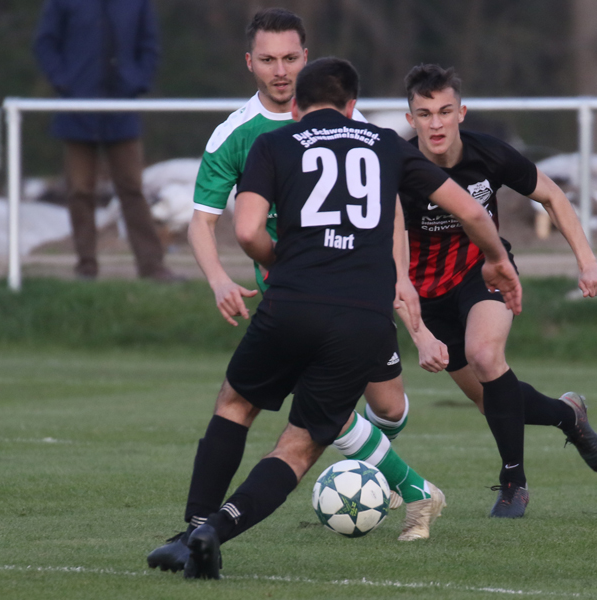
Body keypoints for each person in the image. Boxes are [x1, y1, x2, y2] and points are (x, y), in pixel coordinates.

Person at [152, 57, 522, 579]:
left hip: (291, 303)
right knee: (300, 445)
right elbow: (471, 212)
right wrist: (497, 260)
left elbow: (249, 231)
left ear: (297, 108)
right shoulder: (386, 143)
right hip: (363, 317)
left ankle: (193, 528)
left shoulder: (274, 143)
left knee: (235, 404)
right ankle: (218, 529)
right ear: (352, 106)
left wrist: (282, 264)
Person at [174, 8, 442, 550]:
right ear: (249, 62)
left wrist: (400, 276)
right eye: (268, 60)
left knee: (389, 407)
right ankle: (414, 489)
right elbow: (203, 221)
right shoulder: (237, 135)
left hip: (361, 292)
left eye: (290, 58)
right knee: (319, 413)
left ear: (306, 57)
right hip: (294, 299)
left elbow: (389, 208)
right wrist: (219, 279)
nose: (281, 71)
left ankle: (386, 476)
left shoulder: (349, 122)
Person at [399, 64, 597, 518]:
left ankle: (514, 483)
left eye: (445, 111)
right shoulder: (395, 168)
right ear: (410, 119)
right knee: (489, 399)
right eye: (425, 114)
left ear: (461, 113)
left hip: (483, 273)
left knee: (486, 356)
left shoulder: (489, 154)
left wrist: (588, 262)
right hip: (425, 293)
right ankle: (568, 416)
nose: (436, 124)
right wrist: (417, 331)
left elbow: (552, 195)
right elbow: (386, 258)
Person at [33, 0, 178, 281]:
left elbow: (149, 47)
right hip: (76, 110)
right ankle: (86, 267)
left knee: (132, 189)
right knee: (79, 190)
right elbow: (45, 44)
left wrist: (137, 81)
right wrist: (65, 82)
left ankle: (152, 267)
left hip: (122, 110)